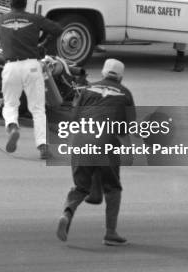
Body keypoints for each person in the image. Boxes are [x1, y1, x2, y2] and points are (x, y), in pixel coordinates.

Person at [56, 58, 135, 246]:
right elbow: (126, 128)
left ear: (103, 73)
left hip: (81, 141)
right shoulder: (125, 93)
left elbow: (74, 120)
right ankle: (110, 233)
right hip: (106, 142)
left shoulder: (87, 90)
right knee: (113, 187)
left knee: (80, 187)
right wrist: (129, 153)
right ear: (121, 77)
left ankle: (66, 215)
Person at [0, 0, 63, 159]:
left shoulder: (2, 19)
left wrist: (5, 35)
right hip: (32, 66)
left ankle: (12, 126)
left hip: (11, 67)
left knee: (11, 104)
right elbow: (57, 29)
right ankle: (43, 146)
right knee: (38, 109)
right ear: (25, 2)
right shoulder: (34, 18)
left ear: (10, 3)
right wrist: (42, 40)